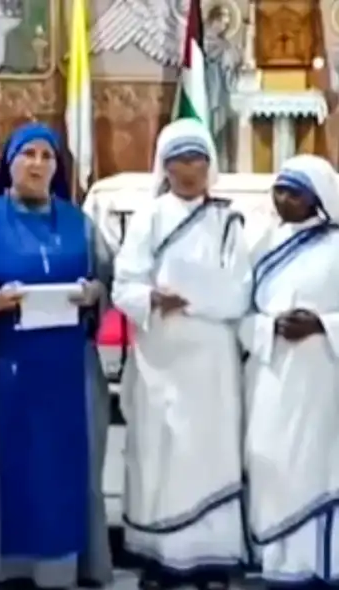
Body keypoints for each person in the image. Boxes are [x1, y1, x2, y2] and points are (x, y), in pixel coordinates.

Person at [0, 122, 114, 590]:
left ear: (57, 167)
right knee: (12, 473)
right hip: (4, 366)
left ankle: (65, 569)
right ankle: (5, 569)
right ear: (10, 163)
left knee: (65, 472)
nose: (38, 164)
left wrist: (93, 293)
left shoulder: (81, 223)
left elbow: (108, 283)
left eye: (47, 156)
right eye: (28, 154)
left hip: (69, 371)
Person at [112, 118, 249, 590]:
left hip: (212, 360)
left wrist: (196, 298)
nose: (190, 170)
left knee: (210, 454)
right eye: (180, 160)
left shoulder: (229, 219)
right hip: (160, 358)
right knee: (162, 454)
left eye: (198, 159)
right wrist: (152, 298)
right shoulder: (148, 218)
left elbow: (240, 291)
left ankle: (213, 558)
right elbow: (124, 284)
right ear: (164, 166)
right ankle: (161, 556)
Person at [240, 154, 339, 590]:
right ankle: (277, 561)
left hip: (322, 377)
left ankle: (321, 563)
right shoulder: (260, 242)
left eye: (293, 191)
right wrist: (266, 327)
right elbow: (236, 313)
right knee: (272, 461)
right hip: (270, 375)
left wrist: (321, 324)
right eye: (278, 189)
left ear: (316, 198)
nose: (283, 199)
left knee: (316, 466)